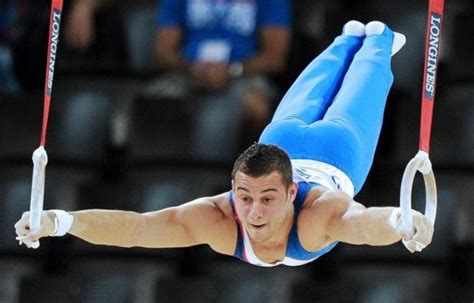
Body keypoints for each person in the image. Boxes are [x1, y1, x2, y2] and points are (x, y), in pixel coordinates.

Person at [15, 21, 434, 267]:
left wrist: (399, 222)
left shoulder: (317, 215)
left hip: (335, 150)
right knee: (313, 85)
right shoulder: (218, 214)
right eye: (245, 196)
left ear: (291, 193)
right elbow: (137, 229)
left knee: (367, 77)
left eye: (268, 198)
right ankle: (348, 40)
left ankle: (376, 41)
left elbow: (361, 226)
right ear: (233, 187)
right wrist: (59, 221)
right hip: (280, 142)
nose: (252, 211)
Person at [147, 0, 292, 156]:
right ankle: (162, 172)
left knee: (256, 107)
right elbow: (163, 53)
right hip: (187, 72)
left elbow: (275, 58)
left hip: (244, 74)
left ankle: (240, 169)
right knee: (149, 103)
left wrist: (231, 70)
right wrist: (193, 69)